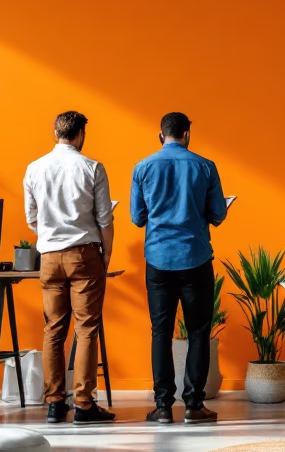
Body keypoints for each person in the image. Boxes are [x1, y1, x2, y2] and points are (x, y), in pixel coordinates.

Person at [131, 112, 228, 425]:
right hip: (195, 258)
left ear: (161, 134)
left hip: (158, 260)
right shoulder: (205, 166)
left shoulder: (143, 167)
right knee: (198, 332)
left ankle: (162, 407)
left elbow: (137, 217)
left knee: (160, 332)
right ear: (187, 134)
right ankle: (193, 405)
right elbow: (218, 215)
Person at [23, 110, 116, 426]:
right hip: (84, 254)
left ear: (55, 132)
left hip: (49, 258)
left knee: (53, 329)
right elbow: (105, 218)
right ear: (81, 134)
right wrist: (105, 256)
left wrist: (50, 237)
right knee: (86, 328)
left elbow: (31, 218)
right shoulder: (92, 167)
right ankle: (84, 404)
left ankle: (53, 404)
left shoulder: (34, 168)